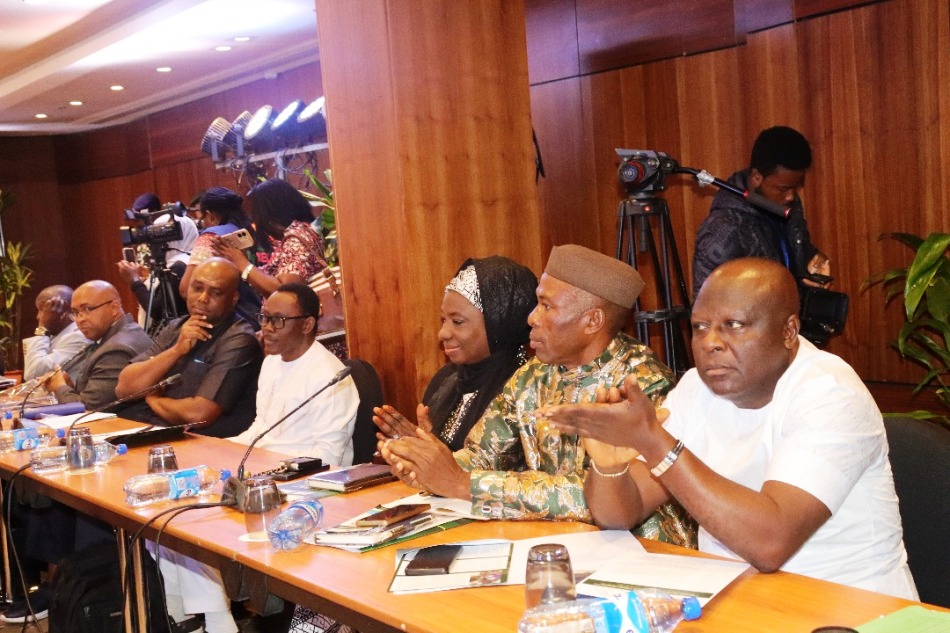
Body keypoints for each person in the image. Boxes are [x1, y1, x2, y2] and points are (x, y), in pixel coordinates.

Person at [539, 258, 917, 599]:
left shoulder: (830, 393)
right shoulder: (695, 389)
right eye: (700, 327)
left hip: (852, 608)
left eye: (732, 326)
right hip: (738, 602)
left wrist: (655, 443)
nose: (710, 344)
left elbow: (770, 544)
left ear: (788, 331)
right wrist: (609, 466)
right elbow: (620, 513)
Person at [380, 245, 691, 545]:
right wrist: (426, 465)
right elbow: (482, 455)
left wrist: (464, 484)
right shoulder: (533, 375)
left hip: (644, 557)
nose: (531, 317)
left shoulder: (644, 386)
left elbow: (594, 497)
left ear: (592, 321)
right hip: (558, 544)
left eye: (546, 305)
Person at [374, 255, 538, 451]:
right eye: (444, 320)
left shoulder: (525, 390)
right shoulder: (445, 381)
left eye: (457, 322)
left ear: (497, 324)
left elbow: (508, 476)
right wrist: (417, 449)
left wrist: (436, 457)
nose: (442, 333)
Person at [117, 258, 263, 438]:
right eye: (197, 288)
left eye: (215, 292)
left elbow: (199, 415)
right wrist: (176, 351)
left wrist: (154, 398)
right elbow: (124, 388)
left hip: (205, 442)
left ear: (233, 298)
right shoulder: (178, 326)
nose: (203, 299)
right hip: (158, 429)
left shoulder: (239, 339)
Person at [229, 283, 359, 465]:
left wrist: (270, 464)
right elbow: (261, 428)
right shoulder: (271, 362)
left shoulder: (330, 378)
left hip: (310, 479)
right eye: (264, 318)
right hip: (266, 466)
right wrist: (222, 448)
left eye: (277, 320)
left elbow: (329, 457)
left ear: (307, 325)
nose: (266, 327)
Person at [692, 126, 831, 296]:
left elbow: (797, 250)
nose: (790, 197)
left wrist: (815, 259)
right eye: (783, 189)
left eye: (796, 188)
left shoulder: (787, 202)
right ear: (757, 177)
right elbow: (707, 308)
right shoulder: (723, 229)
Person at [211, 178, 329, 298]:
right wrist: (238, 259)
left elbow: (285, 292)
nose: (256, 221)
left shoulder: (297, 238)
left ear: (270, 213)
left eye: (256, 214)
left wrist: (243, 263)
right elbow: (270, 280)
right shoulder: (303, 231)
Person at [46, 280, 152, 412]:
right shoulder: (127, 332)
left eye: (87, 309)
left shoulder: (116, 350)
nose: (80, 319)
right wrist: (68, 388)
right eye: (75, 312)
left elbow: (88, 409)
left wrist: (59, 387)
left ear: (114, 308)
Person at [179, 187, 262, 327]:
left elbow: (186, 289)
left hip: (227, 324)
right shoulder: (252, 233)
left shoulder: (211, 237)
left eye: (203, 219)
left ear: (210, 215)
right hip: (257, 316)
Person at [117, 192, 199, 333]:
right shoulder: (188, 262)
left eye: (163, 235)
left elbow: (157, 311)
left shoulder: (180, 266)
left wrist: (135, 282)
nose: (159, 242)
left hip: (175, 335)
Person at [21, 285, 89, 382]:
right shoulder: (54, 334)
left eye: (43, 310)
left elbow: (32, 373)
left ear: (61, 309)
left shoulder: (79, 336)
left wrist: (42, 327)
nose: (38, 316)